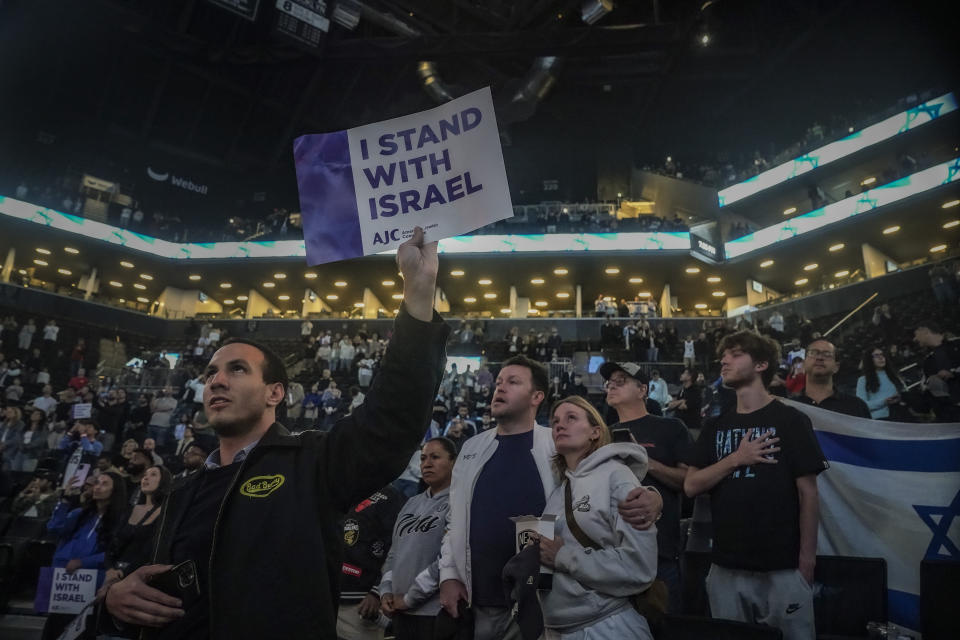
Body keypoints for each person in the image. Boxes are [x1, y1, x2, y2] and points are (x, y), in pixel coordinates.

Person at [103, 227, 448, 640]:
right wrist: (114, 601)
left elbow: (393, 419)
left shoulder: (312, 463)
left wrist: (419, 288)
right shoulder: (181, 490)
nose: (215, 381)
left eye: (237, 369)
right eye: (211, 372)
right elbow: (143, 587)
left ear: (275, 393)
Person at [438, 355, 663, 640]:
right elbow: (453, 519)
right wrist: (448, 574)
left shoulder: (556, 446)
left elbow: (609, 482)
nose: (500, 388)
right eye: (498, 382)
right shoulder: (471, 448)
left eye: (513, 382)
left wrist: (654, 499)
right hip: (485, 597)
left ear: (537, 396)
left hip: (552, 606)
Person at [684, 331, 828, 640]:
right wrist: (736, 458)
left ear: (761, 364)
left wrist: (806, 561)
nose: (724, 360)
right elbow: (691, 485)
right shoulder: (715, 426)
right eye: (724, 355)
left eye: (735, 354)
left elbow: (809, 492)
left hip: (783, 568)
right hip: (726, 568)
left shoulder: (791, 420)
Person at [535, 396, 658, 639]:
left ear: (595, 431)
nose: (560, 425)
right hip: (558, 628)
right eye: (556, 420)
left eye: (572, 418)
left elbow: (639, 566)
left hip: (605, 627)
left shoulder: (616, 476)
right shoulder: (558, 493)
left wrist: (563, 556)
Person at [601, 362, 692, 612]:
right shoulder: (602, 437)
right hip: (610, 555)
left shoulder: (670, 428)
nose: (612, 385)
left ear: (643, 390)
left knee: (665, 627)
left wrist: (643, 460)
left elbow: (688, 481)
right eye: (609, 381)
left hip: (659, 555)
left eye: (621, 380)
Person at [380, 437, 456, 640]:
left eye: (435, 457)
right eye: (423, 458)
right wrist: (385, 590)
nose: (427, 464)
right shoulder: (410, 503)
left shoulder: (458, 502)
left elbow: (449, 558)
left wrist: (411, 597)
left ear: (454, 462)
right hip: (399, 611)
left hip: (433, 613)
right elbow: (393, 553)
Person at [43, 471, 128, 640]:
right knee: (53, 630)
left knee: (81, 632)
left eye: (104, 484)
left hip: (92, 584)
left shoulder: (122, 520)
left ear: (115, 491)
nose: (97, 486)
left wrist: (83, 561)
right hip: (65, 581)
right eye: (97, 482)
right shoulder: (79, 514)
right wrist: (65, 500)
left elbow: (117, 552)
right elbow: (54, 527)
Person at [337, 485, 404, 640]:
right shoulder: (340, 491)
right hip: (330, 598)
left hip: (362, 605)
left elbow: (399, 547)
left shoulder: (389, 497)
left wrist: (377, 590)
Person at [105, 465, 173, 589]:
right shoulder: (129, 510)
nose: (146, 478)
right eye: (145, 475)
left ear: (163, 481)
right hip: (112, 576)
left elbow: (151, 551)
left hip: (141, 580)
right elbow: (111, 545)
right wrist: (109, 570)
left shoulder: (167, 513)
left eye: (153, 474)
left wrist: (124, 574)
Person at [795, 339, 871, 418]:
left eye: (827, 354)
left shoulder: (857, 406)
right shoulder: (790, 407)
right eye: (813, 353)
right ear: (803, 364)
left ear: (836, 367)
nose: (820, 357)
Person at [855, 347, 904, 420]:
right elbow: (861, 405)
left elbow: (904, 392)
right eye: (876, 355)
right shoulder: (862, 380)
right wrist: (884, 402)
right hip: (880, 420)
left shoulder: (894, 376)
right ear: (869, 360)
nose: (881, 357)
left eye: (882, 354)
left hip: (900, 414)